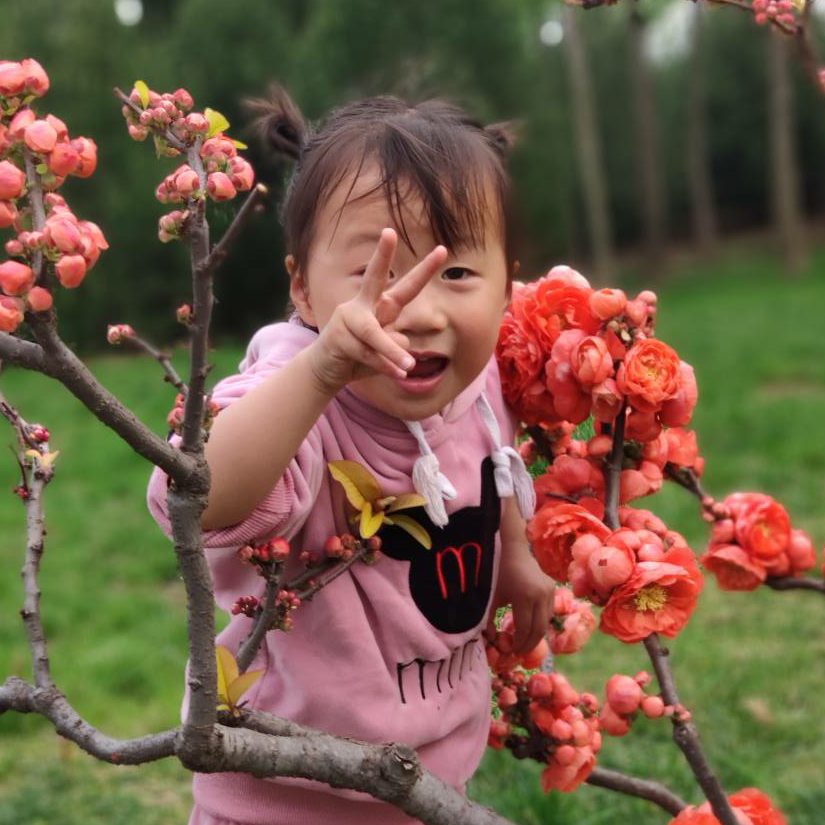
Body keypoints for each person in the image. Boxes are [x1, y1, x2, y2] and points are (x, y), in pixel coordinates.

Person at [148, 86, 555, 825]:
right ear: (302, 287)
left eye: (457, 273)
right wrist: (320, 369)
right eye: (379, 274)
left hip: (432, 775)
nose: (421, 311)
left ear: (507, 283)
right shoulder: (294, 395)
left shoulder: (476, 376)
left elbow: (494, 462)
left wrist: (517, 555)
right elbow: (199, 496)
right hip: (283, 790)